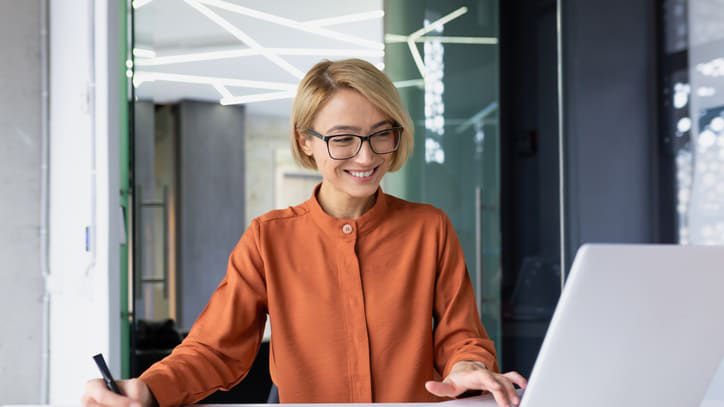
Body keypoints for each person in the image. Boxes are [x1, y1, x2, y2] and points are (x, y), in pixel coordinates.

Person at [82, 59, 527, 407]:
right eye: (343, 138)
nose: (366, 155)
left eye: (380, 135)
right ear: (305, 141)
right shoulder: (268, 239)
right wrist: (149, 389)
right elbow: (216, 350)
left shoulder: (430, 229)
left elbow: (460, 334)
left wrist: (468, 366)